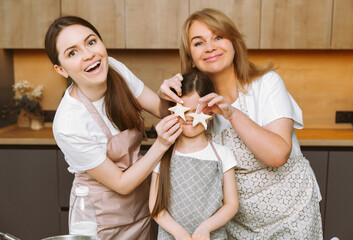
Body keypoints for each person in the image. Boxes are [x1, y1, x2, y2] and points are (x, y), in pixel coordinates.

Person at [160, 8, 323, 240]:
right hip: (235, 223)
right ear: (190, 57)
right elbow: (165, 120)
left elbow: (277, 155)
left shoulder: (267, 84)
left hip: (290, 215)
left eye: (218, 37)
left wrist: (232, 114)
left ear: (234, 44)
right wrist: (162, 94)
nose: (210, 47)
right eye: (198, 43)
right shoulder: (194, 104)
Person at [44, 16, 182, 239]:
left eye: (90, 42)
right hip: (101, 220)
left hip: (141, 207)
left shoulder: (113, 68)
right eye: (73, 52)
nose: (89, 54)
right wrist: (162, 144)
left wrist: (171, 94)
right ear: (61, 70)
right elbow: (121, 184)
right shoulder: (69, 123)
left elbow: (161, 110)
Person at [150, 70, 239, 240]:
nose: (189, 117)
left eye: (196, 111)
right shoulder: (161, 154)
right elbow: (156, 207)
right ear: (172, 110)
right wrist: (179, 233)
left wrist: (205, 228)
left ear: (211, 113)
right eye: (184, 110)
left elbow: (231, 204)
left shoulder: (223, 155)